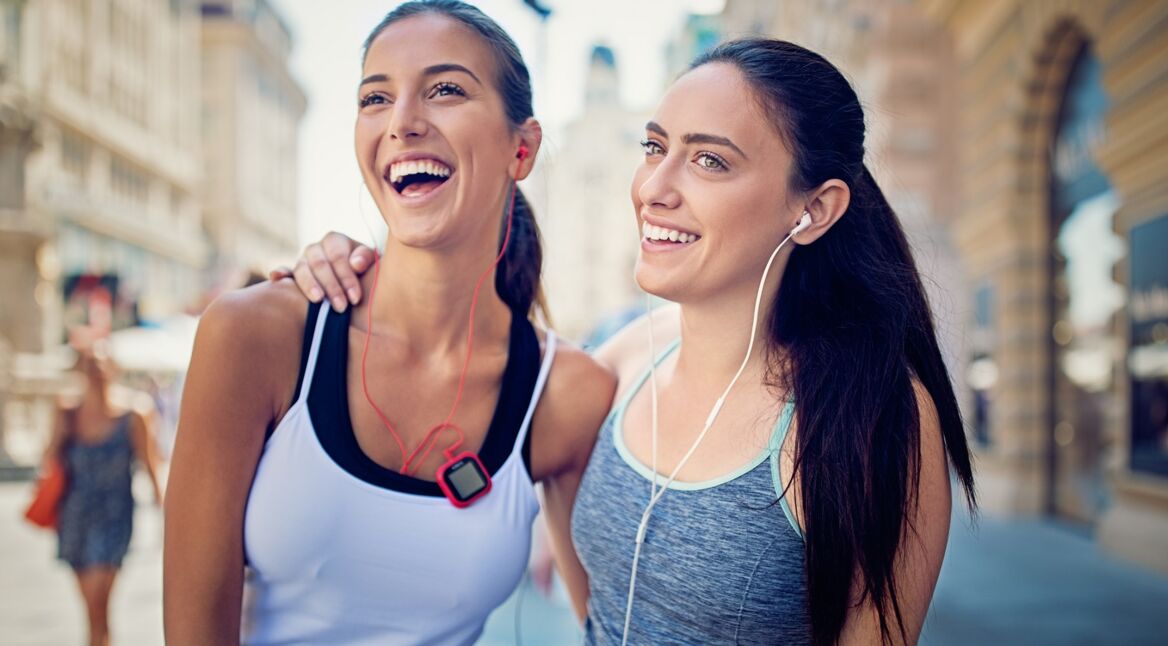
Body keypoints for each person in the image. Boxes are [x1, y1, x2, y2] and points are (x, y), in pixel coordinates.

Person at [284, 36, 976, 645]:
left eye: (709, 161)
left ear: (814, 208)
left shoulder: (873, 411)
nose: (654, 188)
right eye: (654, 148)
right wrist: (356, 268)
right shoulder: (620, 364)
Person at [162, 2, 613, 644]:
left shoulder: (566, 392)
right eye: (375, 98)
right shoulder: (256, 336)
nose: (402, 123)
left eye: (446, 90)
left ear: (523, 148)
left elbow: (610, 626)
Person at [42, 334, 164, 646]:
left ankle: (99, 639)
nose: (96, 373)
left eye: (100, 365)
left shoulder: (133, 414)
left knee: (99, 599)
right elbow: (49, 459)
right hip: (75, 515)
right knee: (91, 607)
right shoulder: (68, 412)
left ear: (112, 368)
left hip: (114, 515)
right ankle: (101, 640)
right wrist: (60, 432)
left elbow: (149, 464)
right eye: (89, 366)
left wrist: (164, 509)